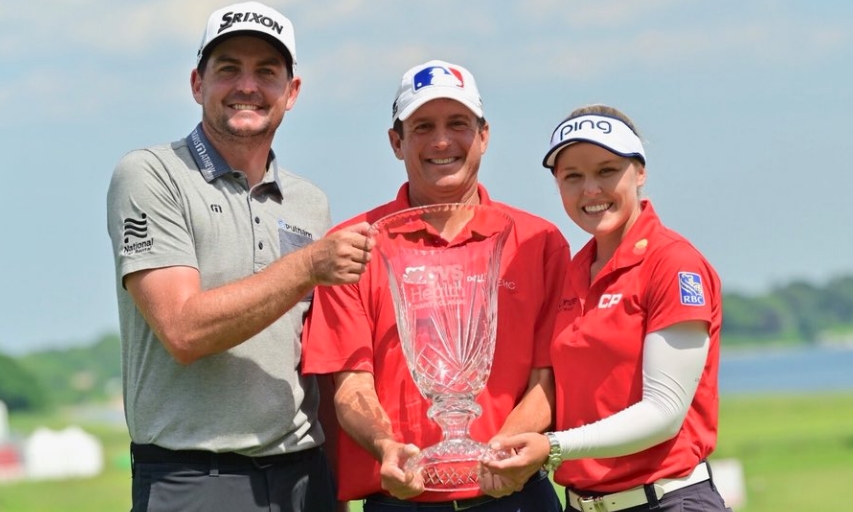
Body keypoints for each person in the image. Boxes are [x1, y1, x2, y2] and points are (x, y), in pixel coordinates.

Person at [106, 2, 371, 511]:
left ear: (291, 93)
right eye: (228, 68)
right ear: (196, 83)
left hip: (304, 474)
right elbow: (183, 331)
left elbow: (316, 357)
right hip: (193, 477)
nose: (247, 85)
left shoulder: (309, 203)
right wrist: (309, 265)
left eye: (266, 72)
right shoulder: (150, 175)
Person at [301, 59, 569, 512]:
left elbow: (548, 378)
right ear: (396, 142)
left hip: (516, 497)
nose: (442, 141)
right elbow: (350, 386)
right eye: (422, 126)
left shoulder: (539, 243)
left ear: (484, 136)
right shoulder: (352, 247)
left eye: (458, 124)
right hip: (402, 497)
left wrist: (498, 453)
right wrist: (386, 446)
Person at [482, 104, 731, 512]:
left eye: (606, 170)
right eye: (573, 176)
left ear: (640, 172)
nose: (590, 190)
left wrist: (552, 447)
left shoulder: (674, 264)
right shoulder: (571, 270)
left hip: (667, 501)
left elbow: (664, 412)